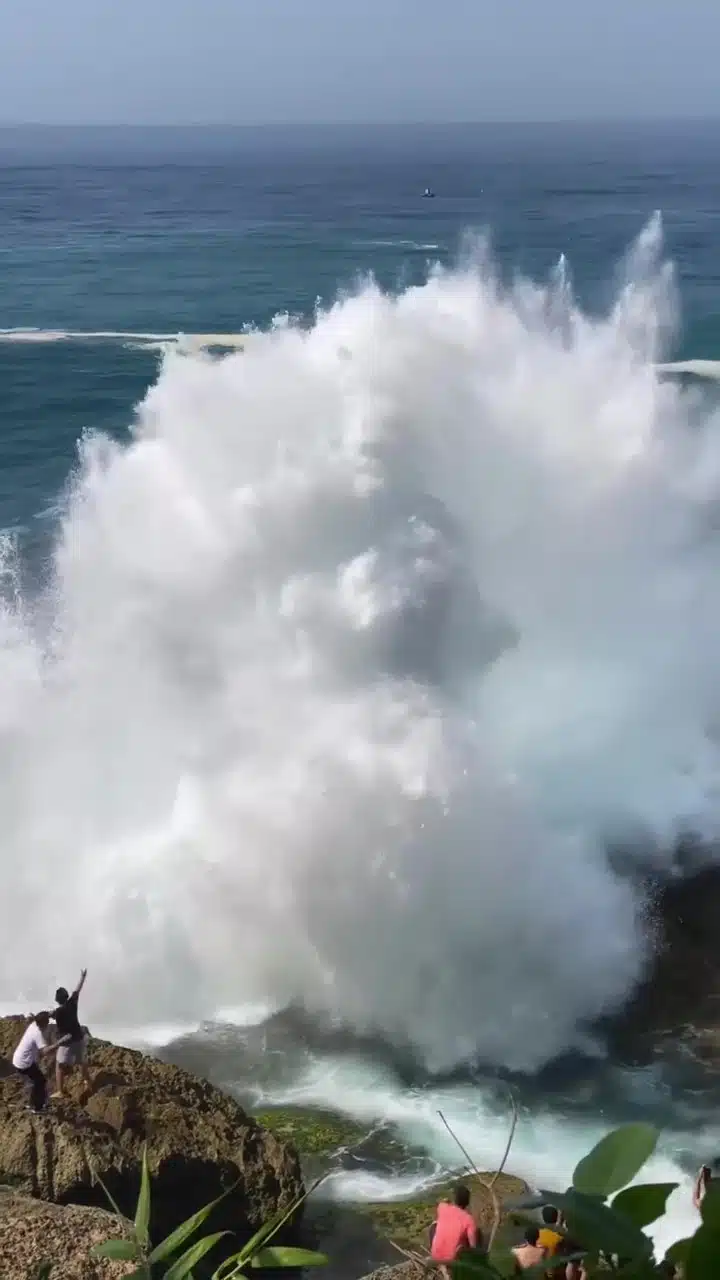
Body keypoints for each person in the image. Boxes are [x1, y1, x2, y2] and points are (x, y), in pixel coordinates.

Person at [51, 967, 90, 1098]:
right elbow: (78, 988)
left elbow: (48, 1015)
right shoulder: (73, 1002)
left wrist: (34, 1017)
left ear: (57, 1000)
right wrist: (83, 977)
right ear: (66, 996)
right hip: (79, 1038)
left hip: (67, 1042)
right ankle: (88, 1082)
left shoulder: (58, 1012)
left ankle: (60, 1091)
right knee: (82, 1062)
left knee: (59, 1065)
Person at [12, 1012, 59, 1113]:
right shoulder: (37, 1034)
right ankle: (37, 1108)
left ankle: (32, 1103)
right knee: (40, 1081)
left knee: (37, 1081)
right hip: (24, 1063)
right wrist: (59, 1043)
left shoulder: (33, 1024)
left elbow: (43, 1015)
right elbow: (45, 1051)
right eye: (47, 1022)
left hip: (19, 1058)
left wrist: (52, 1014)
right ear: (44, 1023)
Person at [430, 1185, 478, 1280]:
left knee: (434, 1226)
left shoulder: (442, 1207)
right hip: (453, 1259)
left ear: (454, 1199)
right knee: (473, 1234)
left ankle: (441, 1264)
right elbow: (473, 1247)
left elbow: (442, 1201)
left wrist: (447, 1200)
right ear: (467, 1202)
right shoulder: (469, 1219)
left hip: (435, 1256)